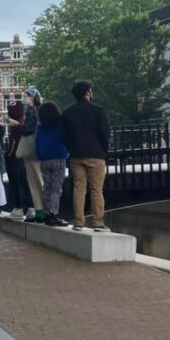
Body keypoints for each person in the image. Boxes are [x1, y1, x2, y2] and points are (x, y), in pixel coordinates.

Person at [62, 80, 110, 231]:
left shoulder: (68, 112)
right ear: (87, 92)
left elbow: (63, 136)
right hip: (96, 155)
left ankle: (78, 222)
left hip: (76, 155)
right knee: (96, 189)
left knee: (79, 189)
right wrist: (103, 150)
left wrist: (72, 148)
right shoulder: (98, 110)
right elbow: (105, 133)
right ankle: (98, 222)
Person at [35, 101, 69, 227]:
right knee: (56, 188)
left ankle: (46, 213)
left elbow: (37, 142)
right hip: (58, 157)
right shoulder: (60, 124)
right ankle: (53, 215)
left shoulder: (39, 127)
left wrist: (39, 155)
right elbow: (65, 138)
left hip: (44, 159)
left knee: (47, 188)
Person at [18, 87, 45, 221]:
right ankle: (45, 210)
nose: (25, 98)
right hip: (39, 148)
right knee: (39, 179)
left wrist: (17, 125)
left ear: (32, 97)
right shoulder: (41, 109)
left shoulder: (31, 110)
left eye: (26, 96)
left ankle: (40, 211)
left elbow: (27, 128)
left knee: (34, 181)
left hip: (30, 149)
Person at [3, 100, 31, 220]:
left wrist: (7, 155)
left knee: (15, 184)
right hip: (25, 159)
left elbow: (13, 143)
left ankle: (18, 208)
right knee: (26, 184)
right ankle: (31, 208)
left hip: (14, 159)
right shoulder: (24, 122)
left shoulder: (16, 126)